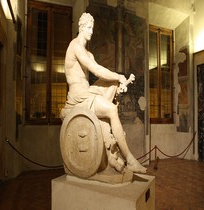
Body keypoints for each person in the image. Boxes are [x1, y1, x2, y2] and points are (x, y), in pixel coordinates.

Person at [61, 12, 146, 173]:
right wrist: (120, 76)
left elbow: (100, 69)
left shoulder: (89, 53)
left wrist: (117, 81)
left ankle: (109, 143)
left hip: (87, 92)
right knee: (112, 109)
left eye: (92, 28)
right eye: (88, 28)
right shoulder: (75, 46)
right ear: (81, 27)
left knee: (112, 82)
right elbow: (96, 70)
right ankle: (129, 159)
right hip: (78, 98)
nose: (91, 31)